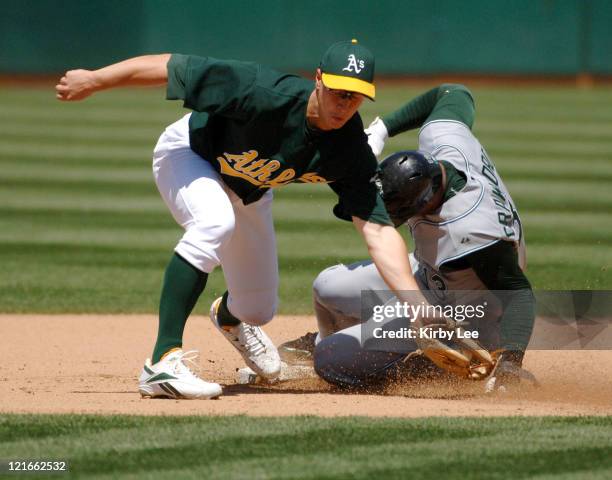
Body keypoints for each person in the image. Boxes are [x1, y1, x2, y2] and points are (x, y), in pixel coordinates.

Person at [55, 40, 428, 399]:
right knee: (214, 222)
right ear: (318, 79)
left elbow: (377, 230)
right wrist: (95, 79)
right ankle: (161, 363)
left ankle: (229, 316)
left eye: (356, 95)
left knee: (258, 309)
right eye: (339, 91)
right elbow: (173, 66)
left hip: (250, 189)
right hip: (190, 154)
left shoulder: (349, 150)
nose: (346, 103)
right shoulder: (262, 91)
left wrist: (415, 303)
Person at [280, 84, 536, 392]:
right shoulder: (445, 144)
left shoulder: (469, 232)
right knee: (326, 286)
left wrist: (511, 363)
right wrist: (382, 130)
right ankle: (345, 344)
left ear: (422, 203)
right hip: (434, 273)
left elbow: (518, 293)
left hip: (465, 314)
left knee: (331, 361)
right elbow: (452, 93)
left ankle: (439, 367)